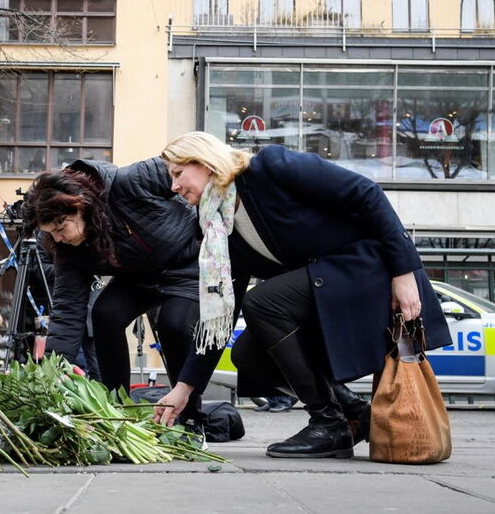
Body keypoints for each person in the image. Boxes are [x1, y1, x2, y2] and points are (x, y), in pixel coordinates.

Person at [160, 132, 452, 459]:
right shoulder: (219, 227)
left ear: (205, 162)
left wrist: (404, 272)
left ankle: (327, 423)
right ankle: (354, 415)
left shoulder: (270, 167)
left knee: (262, 301)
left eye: (178, 173)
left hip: (367, 273)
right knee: (247, 355)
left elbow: (367, 194)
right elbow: (222, 314)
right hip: (325, 292)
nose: (174, 186)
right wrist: (184, 389)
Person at [21, 157, 220, 440]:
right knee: (105, 313)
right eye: (51, 234)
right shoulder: (69, 251)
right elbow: (68, 310)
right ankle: (117, 410)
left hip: (187, 263)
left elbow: (189, 169)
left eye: (60, 229)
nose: (59, 239)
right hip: (138, 276)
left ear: (79, 207)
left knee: (173, 323)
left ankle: (189, 418)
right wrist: (53, 370)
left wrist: (207, 232)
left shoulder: (131, 182)